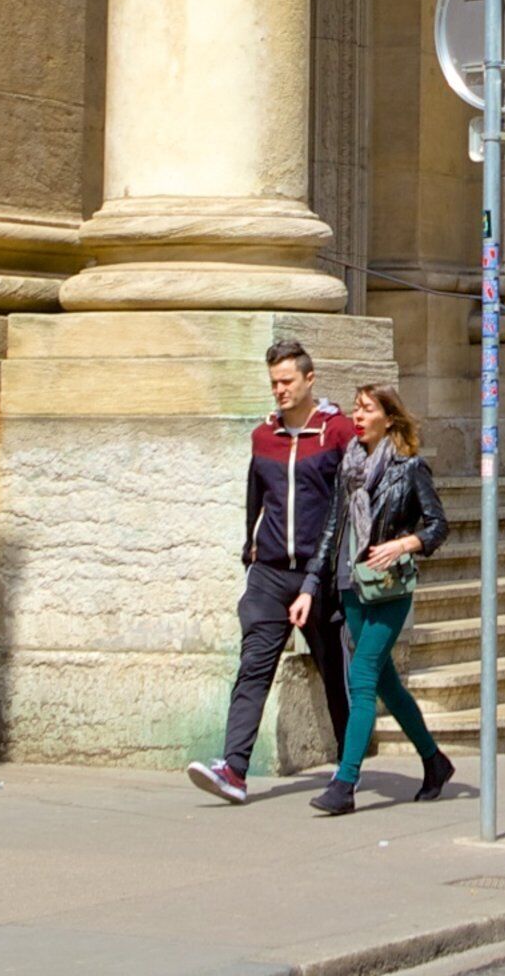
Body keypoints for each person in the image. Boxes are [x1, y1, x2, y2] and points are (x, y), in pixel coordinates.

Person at [187, 341, 354, 805]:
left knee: (332, 668)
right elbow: (253, 496)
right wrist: (250, 551)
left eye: (287, 382)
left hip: (318, 575)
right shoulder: (264, 437)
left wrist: (331, 571)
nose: (279, 391)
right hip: (270, 572)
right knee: (253, 666)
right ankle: (234, 769)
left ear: (309, 379)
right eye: (274, 383)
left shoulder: (336, 432)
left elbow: (345, 509)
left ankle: (348, 762)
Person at [292, 383, 455, 814]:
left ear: (390, 417)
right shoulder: (349, 467)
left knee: (361, 679)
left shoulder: (409, 468)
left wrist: (403, 545)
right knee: (386, 684)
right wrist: (311, 586)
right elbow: (331, 530)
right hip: (350, 588)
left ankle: (344, 784)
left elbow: (439, 525)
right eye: (355, 409)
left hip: (387, 590)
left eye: (366, 410)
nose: (357, 417)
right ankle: (434, 762)